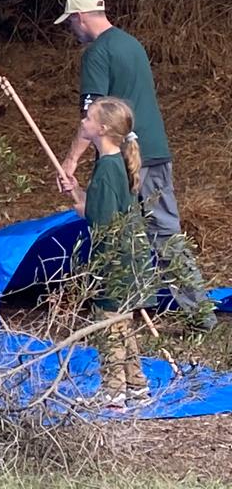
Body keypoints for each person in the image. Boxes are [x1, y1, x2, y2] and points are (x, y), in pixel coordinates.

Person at [53, 0, 208, 314]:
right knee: (164, 232)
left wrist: (71, 161)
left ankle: (124, 311)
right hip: (155, 149)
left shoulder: (97, 53)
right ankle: (195, 313)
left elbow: (92, 115)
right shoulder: (131, 44)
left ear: (80, 17)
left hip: (124, 156)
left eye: (70, 23)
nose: (72, 30)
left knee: (122, 231)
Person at [70, 96, 152, 408]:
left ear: (103, 128)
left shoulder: (106, 169)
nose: (83, 122)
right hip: (130, 258)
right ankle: (136, 385)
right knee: (123, 322)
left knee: (108, 323)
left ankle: (113, 391)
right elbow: (100, 206)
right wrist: (77, 191)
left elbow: (97, 220)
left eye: (88, 118)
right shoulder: (116, 162)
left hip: (113, 260)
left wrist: (79, 202)